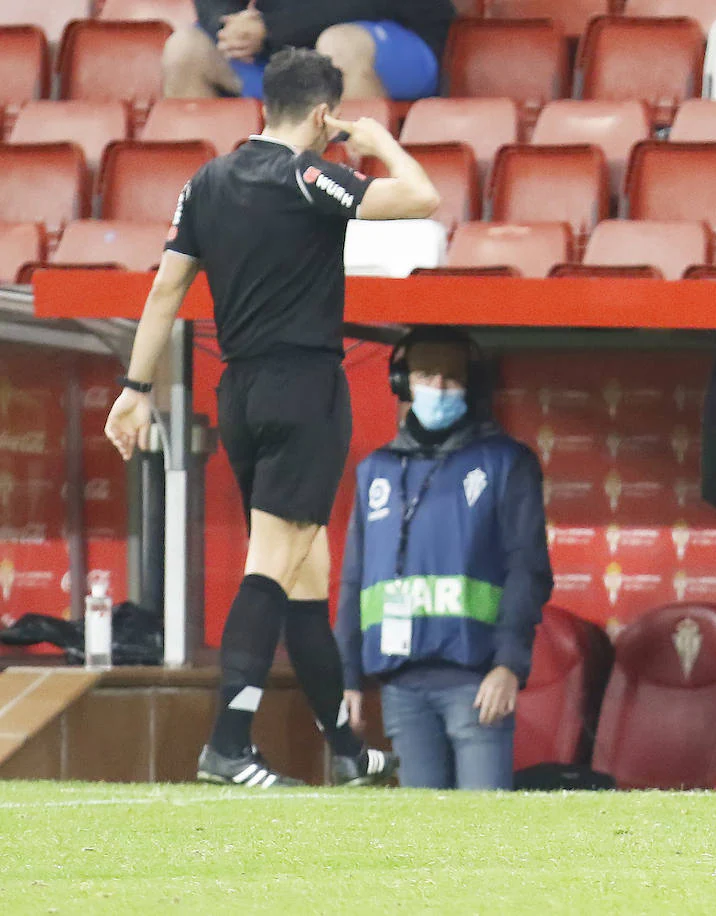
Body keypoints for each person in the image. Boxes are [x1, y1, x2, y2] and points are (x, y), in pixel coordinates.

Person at [104, 48, 442, 787]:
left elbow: (165, 293)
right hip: (304, 391)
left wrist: (135, 389)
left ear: (266, 106)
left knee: (304, 574)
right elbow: (421, 199)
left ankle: (348, 754)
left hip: (239, 394)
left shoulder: (207, 182)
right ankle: (228, 744)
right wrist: (378, 141)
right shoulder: (311, 175)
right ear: (324, 116)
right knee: (271, 567)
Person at [334, 328, 552, 790]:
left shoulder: (506, 463)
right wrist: (346, 675)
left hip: (476, 683)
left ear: (472, 387)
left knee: (482, 831)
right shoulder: (376, 470)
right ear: (402, 382)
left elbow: (527, 569)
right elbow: (354, 579)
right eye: (427, 374)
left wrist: (509, 664)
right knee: (422, 837)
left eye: (453, 377)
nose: (439, 386)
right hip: (400, 685)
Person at [164, 0, 455, 101]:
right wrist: (229, 27)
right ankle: (210, 205)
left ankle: (358, 195)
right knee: (185, 49)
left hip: (398, 43)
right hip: (286, 49)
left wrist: (272, 28)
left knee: (339, 45)